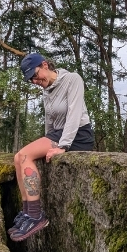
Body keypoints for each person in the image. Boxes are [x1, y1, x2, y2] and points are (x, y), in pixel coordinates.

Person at [8, 53, 94, 241]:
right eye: (31, 79)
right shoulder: (47, 91)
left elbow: (74, 113)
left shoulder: (72, 79)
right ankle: (27, 212)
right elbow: (50, 120)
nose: (35, 80)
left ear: (45, 65)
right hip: (58, 133)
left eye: (36, 74)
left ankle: (36, 216)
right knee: (17, 158)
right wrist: (46, 142)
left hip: (78, 134)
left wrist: (63, 146)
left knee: (24, 156)